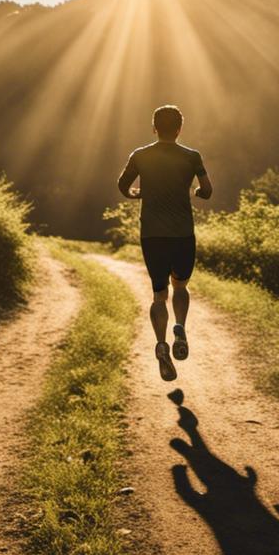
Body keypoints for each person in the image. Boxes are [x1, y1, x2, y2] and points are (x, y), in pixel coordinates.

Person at [117, 104, 213, 381]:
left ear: (154, 128)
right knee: (180, 285)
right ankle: (180, 327)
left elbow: (123, 185)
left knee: (160, 294)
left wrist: (137, 195)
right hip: (183, 233)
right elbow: (207, 190)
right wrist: (196, 191)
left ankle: (161, 345)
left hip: (152, 234)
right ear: (180, 128)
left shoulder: (140, 155)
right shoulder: (192, 156)